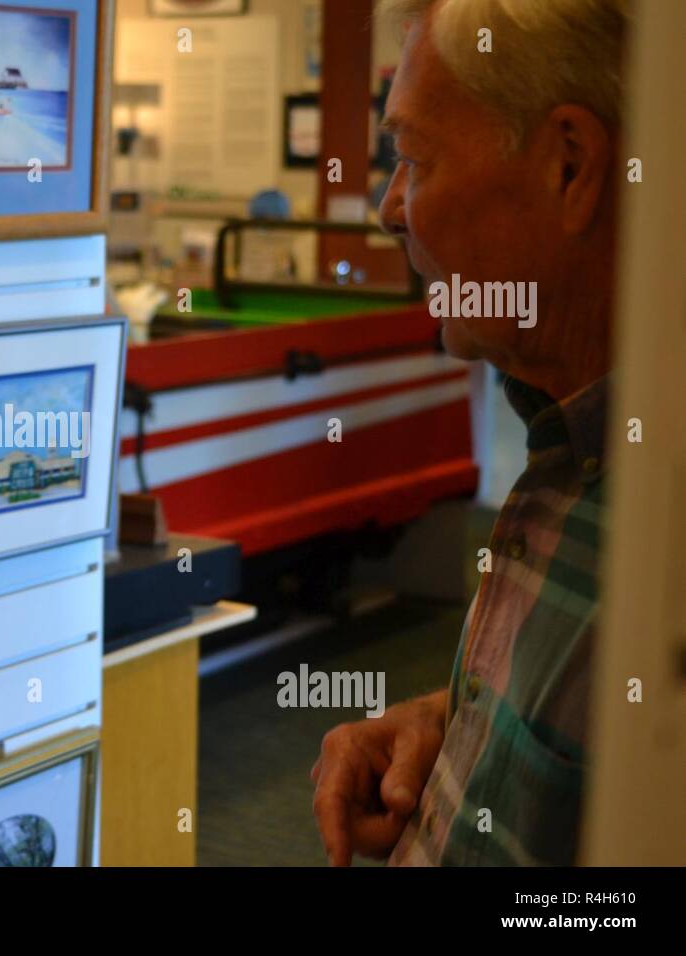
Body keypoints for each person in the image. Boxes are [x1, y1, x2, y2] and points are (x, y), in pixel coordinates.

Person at [311, 0, 625, 867]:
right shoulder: (572, 445)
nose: (390, 208)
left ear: (570, 167)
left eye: (412, 158)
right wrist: (462, 726)